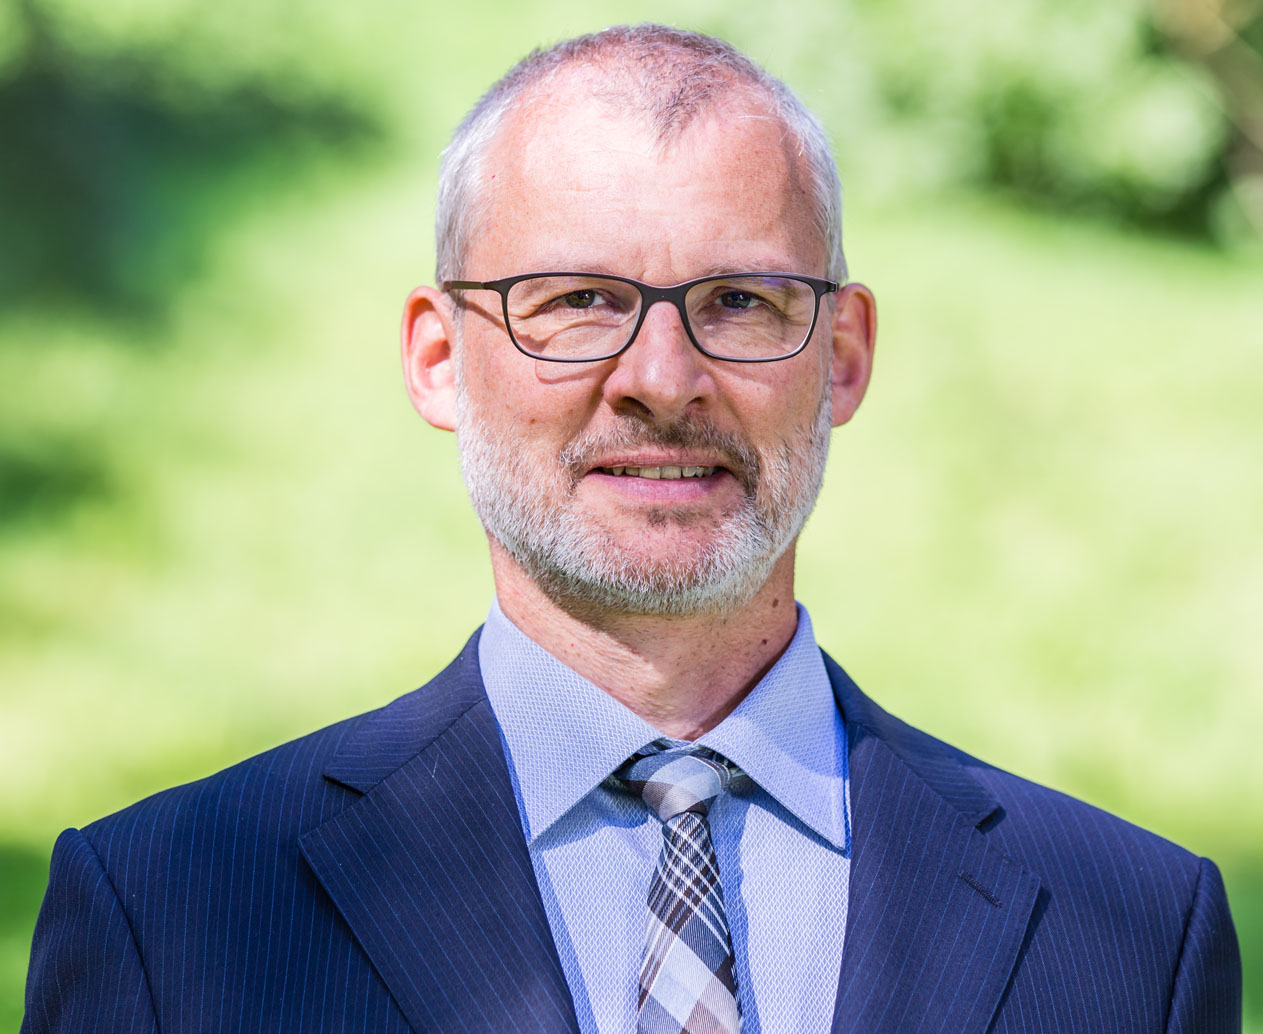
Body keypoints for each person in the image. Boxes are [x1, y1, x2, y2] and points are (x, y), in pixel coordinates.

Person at [23, 24, 1241, 1034]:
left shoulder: (1138, 935)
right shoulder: (167, 917)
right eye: (579, 300)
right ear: (440, 358)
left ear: (844, 356)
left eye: (741, 300)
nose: (662, 376)